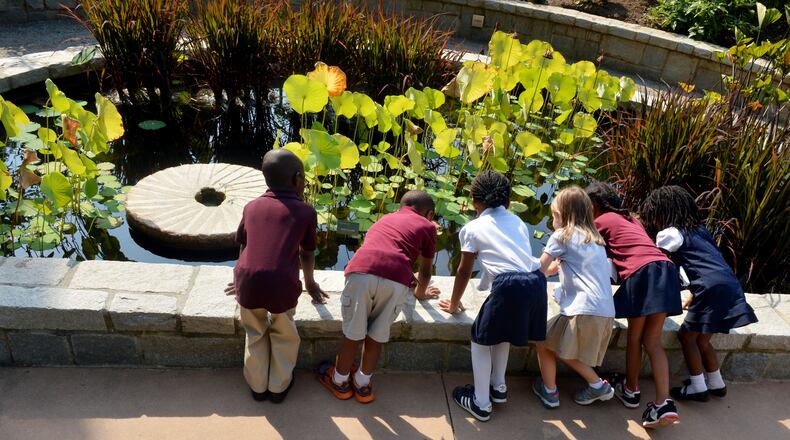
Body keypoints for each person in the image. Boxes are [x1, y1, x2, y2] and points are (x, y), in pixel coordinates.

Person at [439, 171, 547, 422]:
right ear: (508, 202)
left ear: (474, 202)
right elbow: (509, 259)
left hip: (508, 286)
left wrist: (454, 304)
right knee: (503, 335)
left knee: (480, 341)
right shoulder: (518, 222)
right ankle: (498, 388)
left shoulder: (472, 228)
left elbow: (464, 270)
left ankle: (480, 403)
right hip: (535, 281)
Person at [317, 190, 440, 404]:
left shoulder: (384, 219)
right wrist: (420, 293)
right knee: (376, 336)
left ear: (401, 206)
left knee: (353, 333)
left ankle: (340, 381)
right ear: (429, 214)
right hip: (396, 281)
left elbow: (381, 250)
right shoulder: (428, 226)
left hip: (361, 274)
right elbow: (426, 271)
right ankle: (363, 385)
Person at [225, 149, 328, 404]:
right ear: (296, 179)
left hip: (248, 281)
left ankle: (257, 387)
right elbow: (307, 253)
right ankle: (278, 388)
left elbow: (244, 246)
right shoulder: (304, 212)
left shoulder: (251, 207)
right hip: (282, 283)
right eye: (303, 177)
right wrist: (310, 283)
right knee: (284, 332)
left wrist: (239, 277)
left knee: (255, 331)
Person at [639, 186, 757, 402]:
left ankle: (697, 387)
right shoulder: (701, 230)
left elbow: (661, 267)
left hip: (709, 289)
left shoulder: (669, 234)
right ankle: (716, 382)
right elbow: (705, 264)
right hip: (729, 285)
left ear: (662, 213)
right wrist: (693, 295)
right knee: (702, 340)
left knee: (687, 337)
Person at [585, 182, 681, 429]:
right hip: (666, 269)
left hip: (642, 273)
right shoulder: (633, 219)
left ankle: (631, 390)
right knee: (653, 341)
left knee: (635, 338)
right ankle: (663, 402)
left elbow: (584, 245)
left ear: (594, 205)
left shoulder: (601, 220)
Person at [533, 187, 616, 408]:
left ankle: (597, 386)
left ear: (561, 215)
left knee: (561, 350)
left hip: (582, 308)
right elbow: (563, 268)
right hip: (604, 309)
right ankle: (550, 390)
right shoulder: (595, 240)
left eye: (553, 215)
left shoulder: (562, 235)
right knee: (546, 341)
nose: (552, 220)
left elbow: (538, 267)